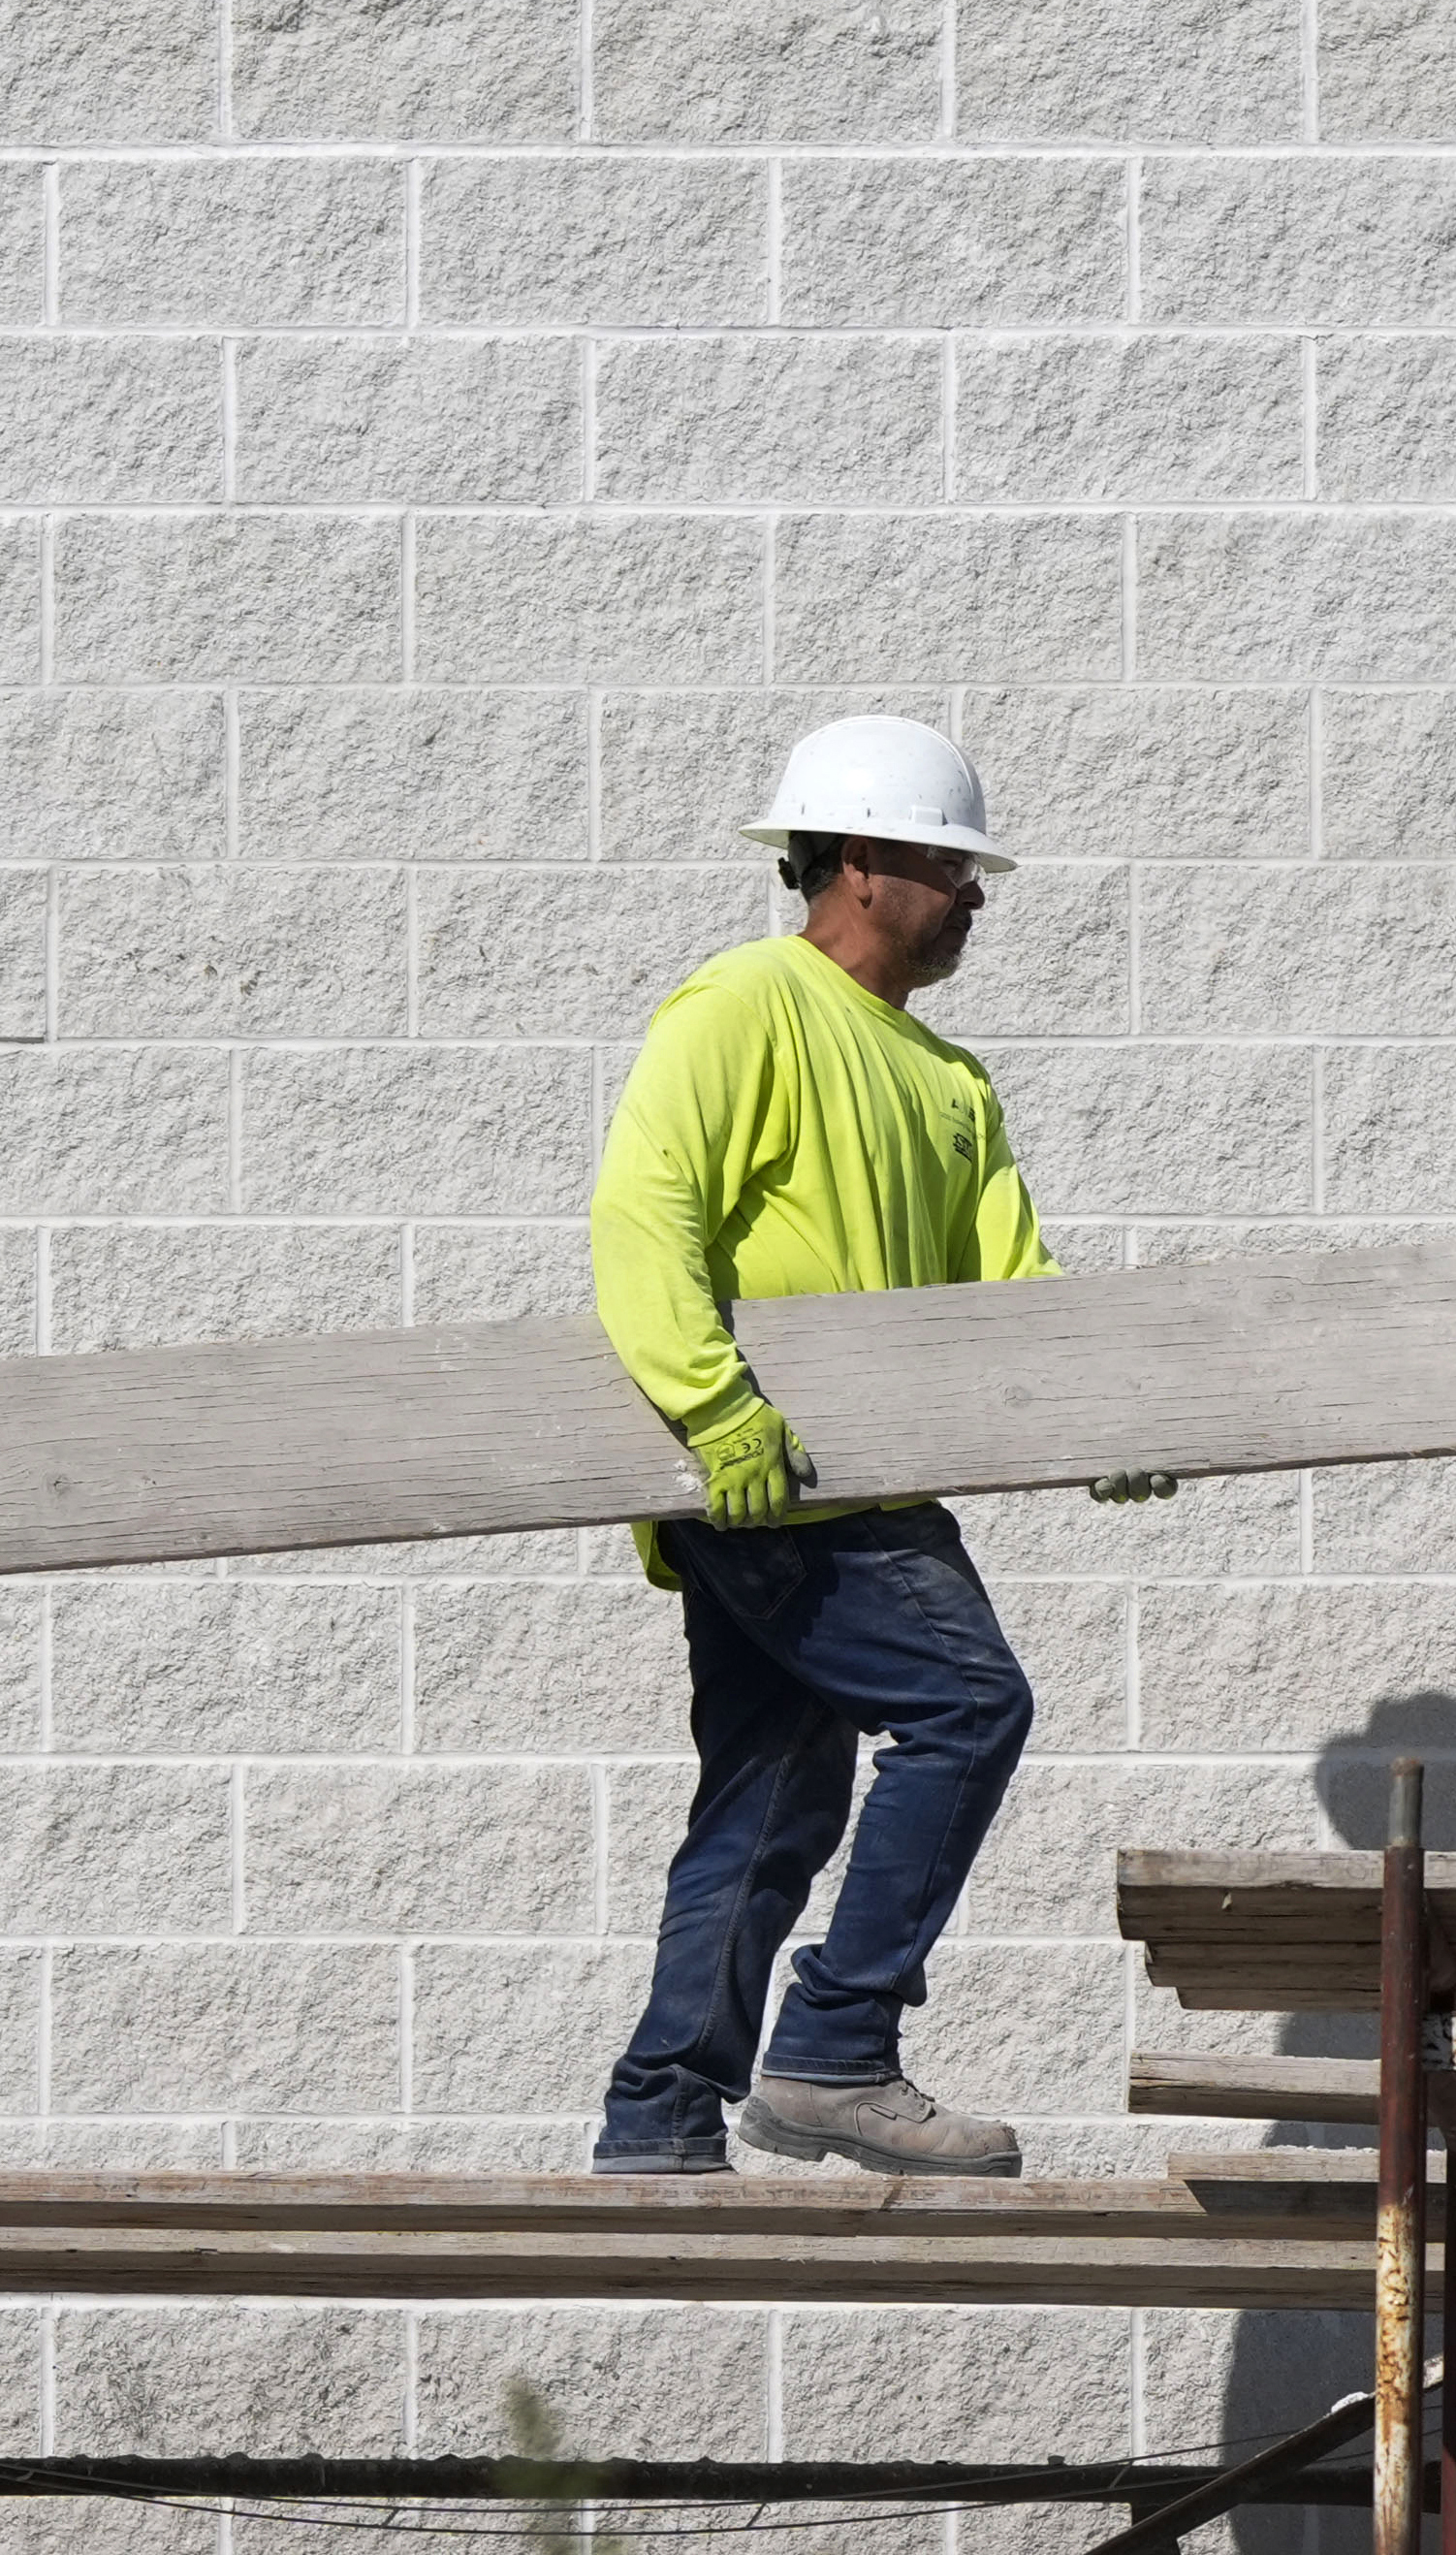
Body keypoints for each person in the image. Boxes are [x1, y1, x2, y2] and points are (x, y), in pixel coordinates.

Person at [584, 715, 1170, 2179]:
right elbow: (642, 1219)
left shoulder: (948, 1084)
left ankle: (660, 2116)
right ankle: (835, 2046)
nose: (974, 896)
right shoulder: (741, 1009)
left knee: (772, 1802)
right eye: (947, 866)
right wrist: (715, 1409)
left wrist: (1106, 1416)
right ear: (856, 862)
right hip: (781, 1482)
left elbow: (1009, 1306)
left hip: (825, 1489)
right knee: (971, 1705)